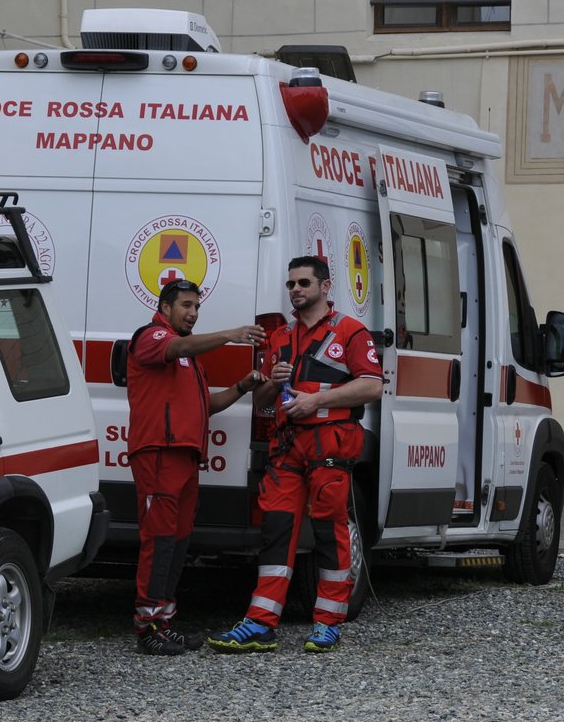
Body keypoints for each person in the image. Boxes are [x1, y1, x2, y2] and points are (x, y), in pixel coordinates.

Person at [208, 256, 383, 654]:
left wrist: (317, 400)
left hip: (329, 445)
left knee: (329, 532)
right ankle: (260, 623)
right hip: (288, 447)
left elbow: (372, 386)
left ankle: (328, 623)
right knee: (276, 533)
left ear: (325, 286)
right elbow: (265, 401)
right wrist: (272, 384)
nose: (296, 290)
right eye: (290, 284)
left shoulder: (351, 332)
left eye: (303, 282)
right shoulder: (281, 337)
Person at [126, 278, 264, 656]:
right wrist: (232, 334)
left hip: (185, 457)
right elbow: (177, 346)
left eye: (197, 307)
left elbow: (207, 405)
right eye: (186, 305)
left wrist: (241, 387)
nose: (193, 313)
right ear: (166, 307)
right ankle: (147, 625)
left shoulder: (189, 359)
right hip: (158, 453)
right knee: (158, 539)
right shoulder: (151, 336)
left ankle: (163, 621)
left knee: (177, 539)